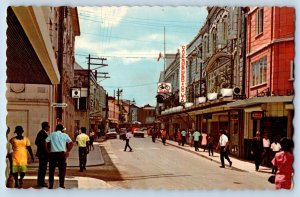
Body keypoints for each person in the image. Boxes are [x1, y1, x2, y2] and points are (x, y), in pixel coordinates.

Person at [45, 124, 73, 189]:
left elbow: (45, 142)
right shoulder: (65, 135)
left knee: (51, 170)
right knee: (62, 170)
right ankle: (61, 184)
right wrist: (68, 151)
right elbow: (71, 143)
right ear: (62, 129)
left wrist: (48, 151)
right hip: (61, 154)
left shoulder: (52, 134)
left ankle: (51, 185)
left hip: (53, 154)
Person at [35, 121, 50, 187]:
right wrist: (44, 149)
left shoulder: (44, 133)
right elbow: (37, 142)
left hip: (43, 153)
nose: (49, 127)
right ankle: (41, 182)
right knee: (42, 168)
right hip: (43, 154)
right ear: (45, 127)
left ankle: (41, 181)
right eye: (48, 126)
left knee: (43, 168)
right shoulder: (42, 133)